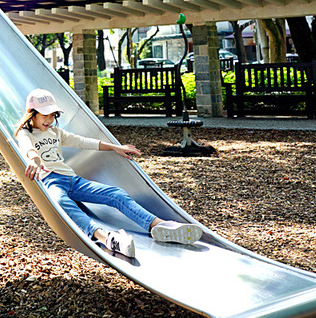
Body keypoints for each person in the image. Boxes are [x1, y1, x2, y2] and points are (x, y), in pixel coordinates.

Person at [16, 88, 202, 258]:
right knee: (61, 202)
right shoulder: (26, 134)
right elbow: (27, 148)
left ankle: (158, 224)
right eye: (45, 115)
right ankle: (107, 238)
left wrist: (115, 147)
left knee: (116, 194)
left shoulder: (56, 132)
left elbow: (83, 142)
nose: (49, 120)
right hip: (51, 181)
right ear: (32, 114)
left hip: (72, 180)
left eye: (53, 115)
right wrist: (34, 159)